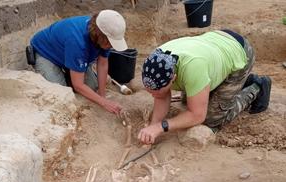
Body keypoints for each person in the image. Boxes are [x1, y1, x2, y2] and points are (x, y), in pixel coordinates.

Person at [138, 30, 272, 145]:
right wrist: (152, 127)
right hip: (215, 46)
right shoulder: (156, 60)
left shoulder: (193, 68)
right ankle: (227, 80)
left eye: (157, 91)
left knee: (211, 119)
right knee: (187, 103)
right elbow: (161, 96)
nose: (153, 96)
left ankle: (257, 86)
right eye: (150, 92)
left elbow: (197, 115)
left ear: (173, 78)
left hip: (239, 51)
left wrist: (161, 127)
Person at [30, 10, 128, 115]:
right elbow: (78, 85)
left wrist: (102, 95)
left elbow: (103, 63)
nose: (112, 46)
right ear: (100, 35)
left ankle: (72, 70)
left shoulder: (104, 35)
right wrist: (104, 103)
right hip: (47, 55)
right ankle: (67, 73)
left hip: (69, 54)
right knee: (61, 95)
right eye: (111, 42)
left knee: (92, 86)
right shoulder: (78, 42)